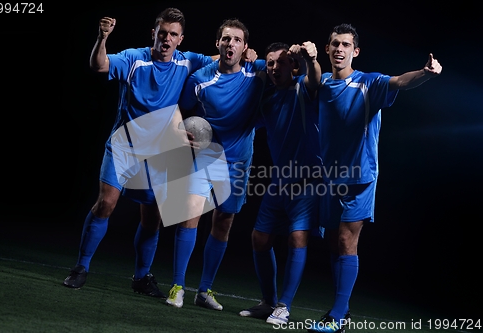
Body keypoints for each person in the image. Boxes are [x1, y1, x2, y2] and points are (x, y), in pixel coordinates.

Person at [62, 7, 218, 298]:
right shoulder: (135, 58)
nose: (167, 39)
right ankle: (81, 267)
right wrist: (102, 37)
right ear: (154, 34)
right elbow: (99, 65)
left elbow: (222, 59)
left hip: (161, 155)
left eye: (173, 34)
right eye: (162, 33)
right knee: (106, 204)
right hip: (125, 146)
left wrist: (250, 56)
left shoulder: (187, 62)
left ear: (180, 39)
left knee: (152, 218)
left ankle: (141, 277)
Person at [307, 23, 442, 333]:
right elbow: (312, 81)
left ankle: (337, 316)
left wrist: (424, 72)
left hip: (361, 176)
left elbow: (399, 82)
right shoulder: (324, 81)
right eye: (334, 44)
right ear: (328, 49)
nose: (338, 49)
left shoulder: (369, 83)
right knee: (333, 245)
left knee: (346, 240)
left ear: (355, 52)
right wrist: (305, 57)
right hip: (330, 177)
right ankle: (345, 309)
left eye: (345, 45)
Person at [164, 18, 267, 310]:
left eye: (236, 40)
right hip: (208, 156)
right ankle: (177, 287)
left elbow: (282, 70)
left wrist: (258, 58)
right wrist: (181, 129)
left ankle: (204, 290)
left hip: (239, 161)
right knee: (190, 215)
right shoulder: (200, 79)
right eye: (226, 39)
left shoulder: (256, 71)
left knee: (223, 222)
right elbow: (178, 107)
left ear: (245, 47)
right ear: (217, 44)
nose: (230, 44)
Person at [237, 41, 322, 325]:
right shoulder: (268, 99)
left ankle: (284, 307)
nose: (274, 68)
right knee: (259, 239)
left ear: (293, 66)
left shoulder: (304, 88)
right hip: (278, 182)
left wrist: (308, 57)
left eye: (280, 62)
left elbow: (315, 77)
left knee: (297, 238)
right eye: (270, 63)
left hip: (309, 181)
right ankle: (268, 302)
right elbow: (244, 121)